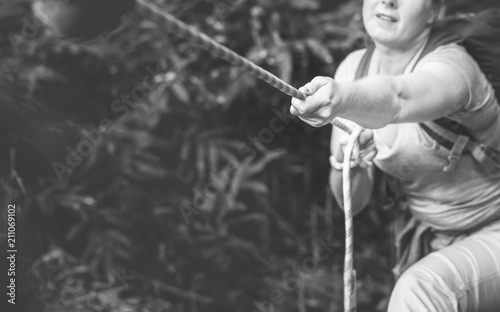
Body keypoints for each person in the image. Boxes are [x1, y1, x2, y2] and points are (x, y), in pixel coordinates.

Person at [290, 0, 500, 311]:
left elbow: (398, 97)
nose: (388, 0)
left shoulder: (455, 68)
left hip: (494, 227)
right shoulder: (352, 69)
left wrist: (343, 97)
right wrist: (349, 161)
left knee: (421, 291)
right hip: (435, 237)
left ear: (434, 12)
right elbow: (353, 201)